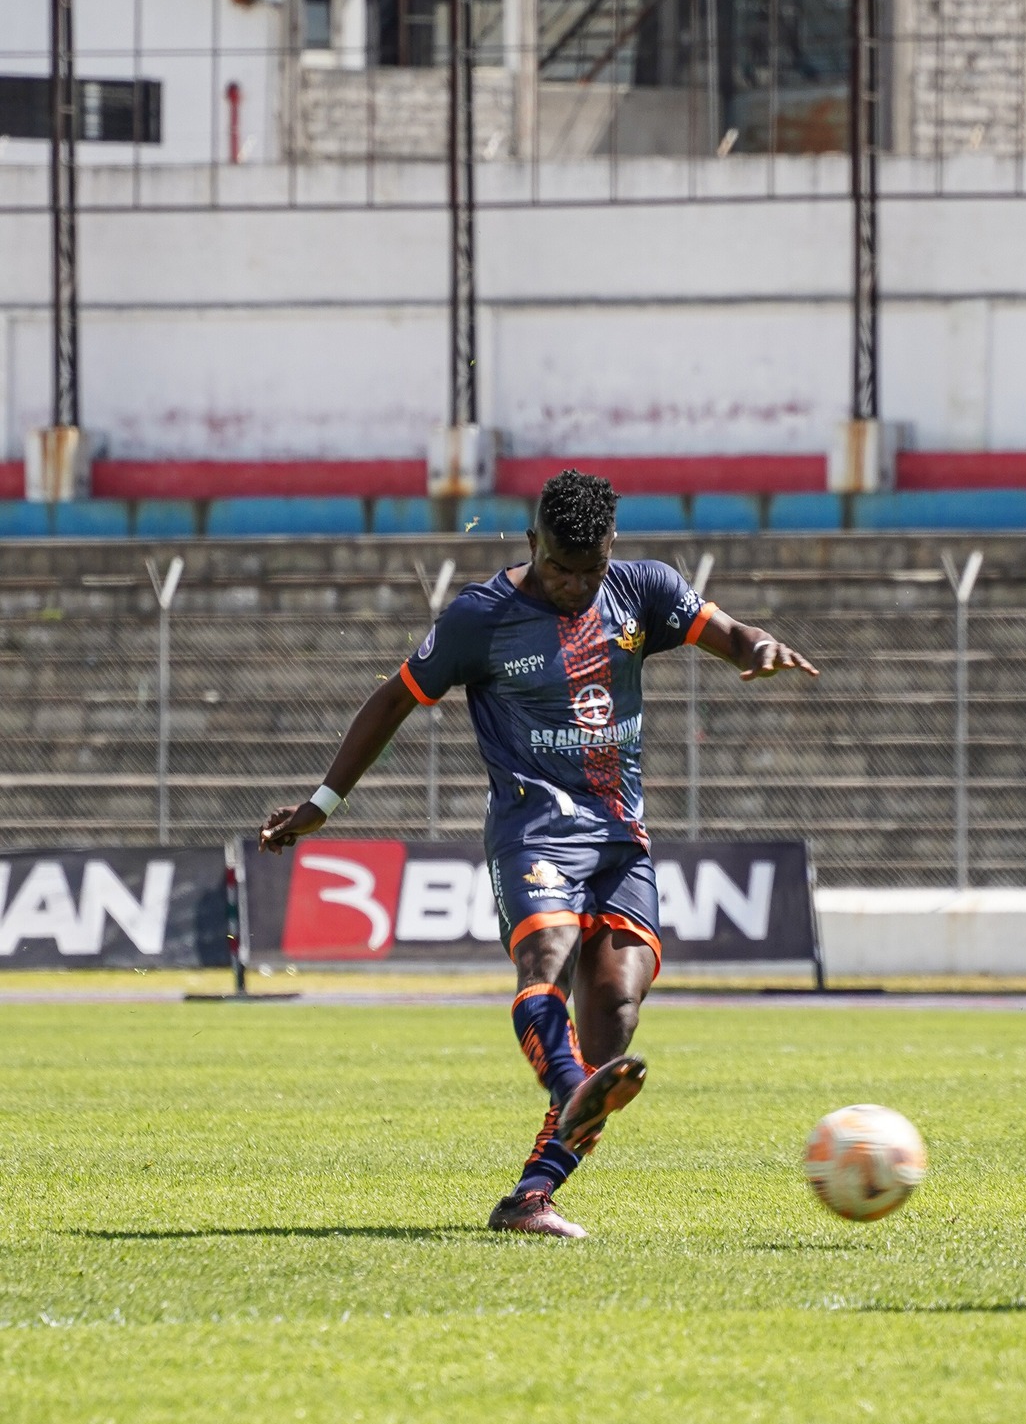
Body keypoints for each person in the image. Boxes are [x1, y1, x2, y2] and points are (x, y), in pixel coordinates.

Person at [259, 468, 818, 1238]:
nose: (574, 584)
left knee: (618, 1004)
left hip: (621, 839)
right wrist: (323, 805)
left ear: (611, 551)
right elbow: (393, 699)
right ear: (531, 544)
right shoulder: (480, 618)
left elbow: (725, 635)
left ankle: (530, 1196)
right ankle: (567, 1083)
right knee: (547, 955)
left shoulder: (642, 590)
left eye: (589, 569)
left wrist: (757, 646)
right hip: (534, 827)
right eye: (559, 567)